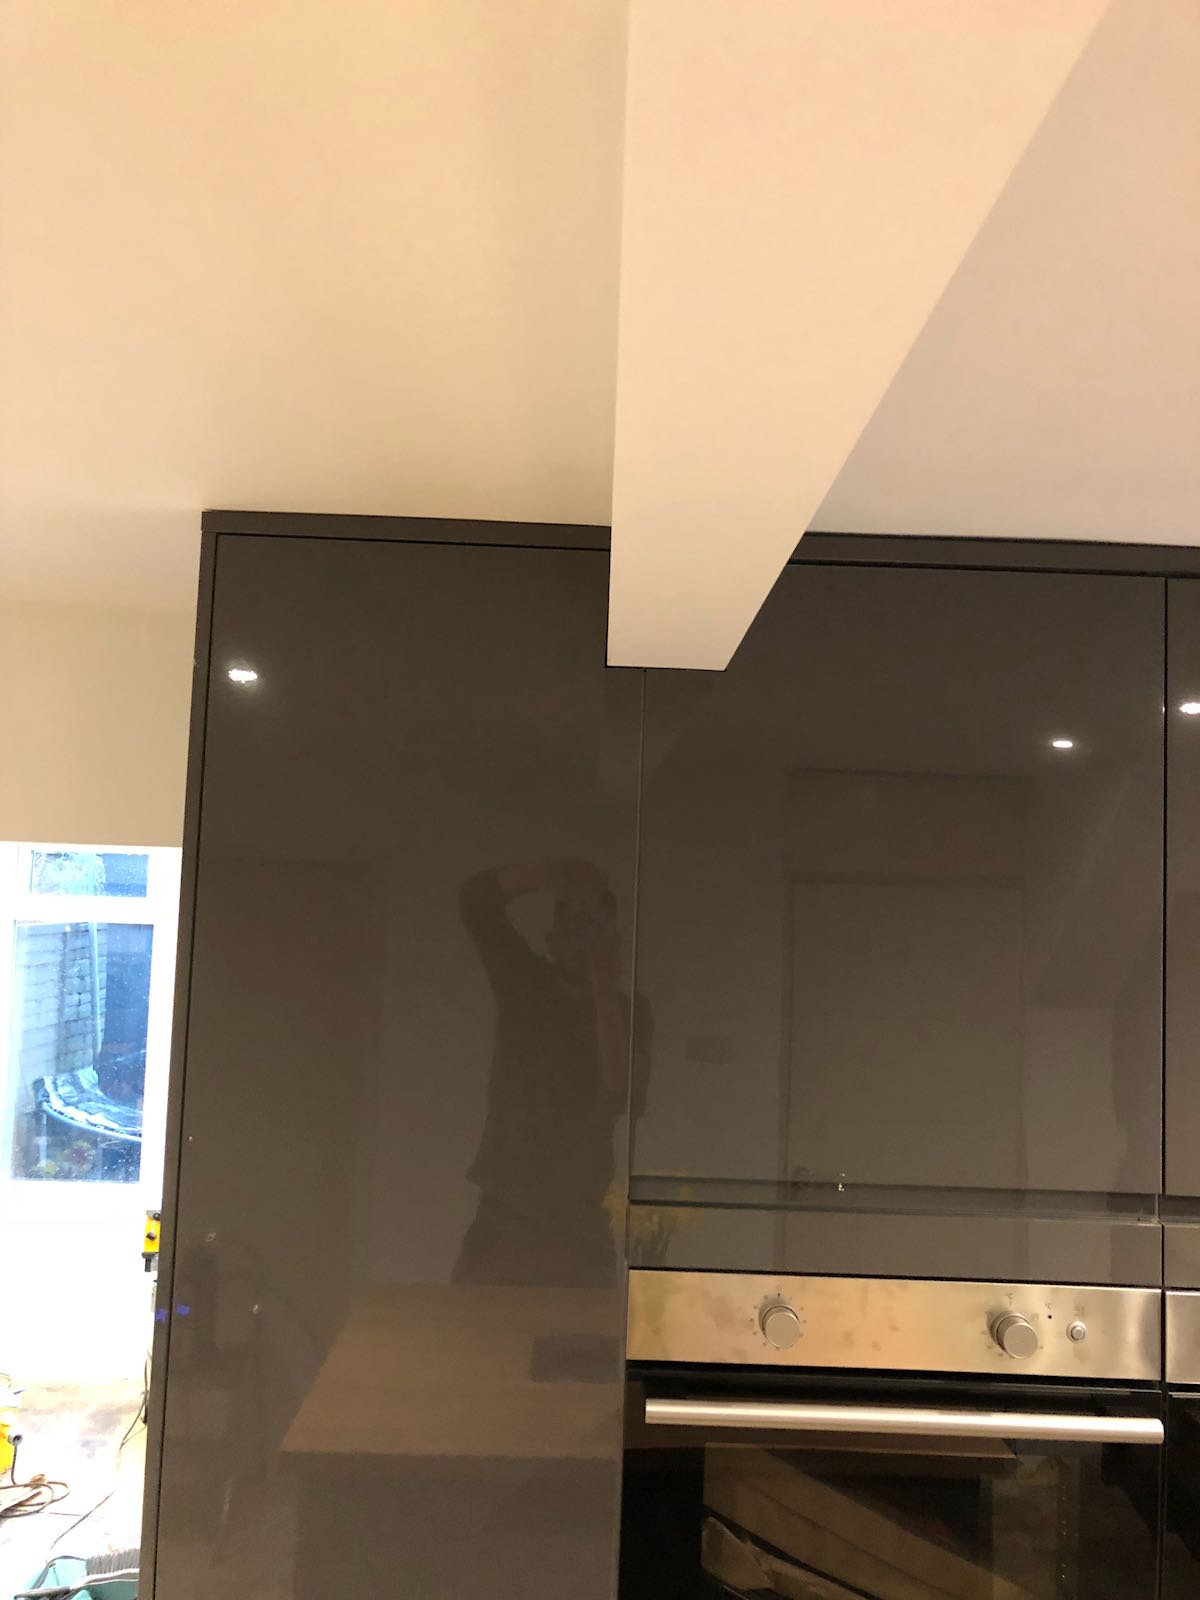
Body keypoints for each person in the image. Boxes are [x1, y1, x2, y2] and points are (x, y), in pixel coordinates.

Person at [454, 859, 651, 1286]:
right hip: (505, 1214)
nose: (585, 941)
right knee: (477, 1344)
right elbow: (475, 904)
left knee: (583, 1349)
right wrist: (551, 873)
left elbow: (621, 1094)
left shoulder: (632, 1013)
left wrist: (603, 995)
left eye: (597, 930)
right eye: (575, 927)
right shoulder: (525, 986)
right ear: (552, 940)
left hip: (579, 1220)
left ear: (615, 942)